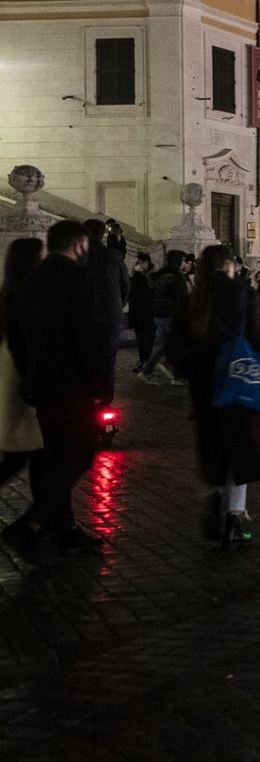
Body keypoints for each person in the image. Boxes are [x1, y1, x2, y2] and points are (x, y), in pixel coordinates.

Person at [2, 221, 110, 560]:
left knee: (55, 457)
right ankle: (30, 524)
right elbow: (86, 338)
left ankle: (60, 529)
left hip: (41, 385)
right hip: (72, 385)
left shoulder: (26, 284)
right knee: (80, 453)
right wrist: (97, 385)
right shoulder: (77, 280)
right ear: (79, 245)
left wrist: (30, 376)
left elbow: (17, 340)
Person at [170, 244, 260, 548]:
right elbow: (259, 338)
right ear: (228, 265)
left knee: (214, 447)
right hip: (237, 382)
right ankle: (233, 519)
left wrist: (191, 370)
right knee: (239, 448)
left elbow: (175, 348)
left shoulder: (193, 299)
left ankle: (216, 500)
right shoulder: (244, 294)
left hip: (204, 387)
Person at [0, 240, 45, 511]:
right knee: (27, 452)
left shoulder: (7, 291)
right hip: (22, 375)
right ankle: (41, 517)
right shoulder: (26, 293)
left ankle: (43, 515)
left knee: (26, 452)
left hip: (11, 372)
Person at [81, 218, 129, 403]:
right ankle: (106, 401)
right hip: (111, 313)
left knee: (85, 357)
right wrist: (118, 304)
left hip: (85, 315)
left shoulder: (79, 255)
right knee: (107, 361)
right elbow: (125, 285)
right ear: (103, 234)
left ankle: (87, 398)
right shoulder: (114, 255)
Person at [138, 249, 189, 382]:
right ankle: (177, 376)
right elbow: (182, 298)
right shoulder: (175, 276)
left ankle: (147, 371)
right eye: (183, 260)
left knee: (161, 345)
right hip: (171, 314)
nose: (185, 263)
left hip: (158, 314)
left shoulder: (160, 274)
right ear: (177, 261)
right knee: (177, 345)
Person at [127, 252, 156, 370]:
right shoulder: (136, 276)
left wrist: (142, 276)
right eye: (138, 263)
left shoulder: (153, 275)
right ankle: (143, 361)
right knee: (140, 339)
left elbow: (152, 291)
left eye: (141, 263)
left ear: (147, 263)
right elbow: (131, 292)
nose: (139, 265)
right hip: (137, 311)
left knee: (148, 339)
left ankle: (148, 363)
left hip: (149, 312)